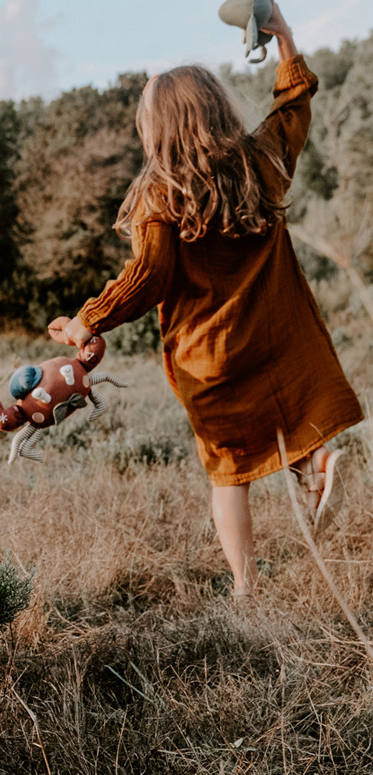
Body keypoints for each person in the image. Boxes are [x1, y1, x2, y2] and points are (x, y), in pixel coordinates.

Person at [48, 2, 363, 600]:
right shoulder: (259, 162)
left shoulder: (158, 194)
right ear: (217, 107)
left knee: (229, 473)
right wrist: (286, 39)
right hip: (278, 335)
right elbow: (293, 109)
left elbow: (148, 276)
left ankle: (245, 585)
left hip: (209, 358)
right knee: (290, 424)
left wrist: (88, 319)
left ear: (155, 128)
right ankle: (315, 465)